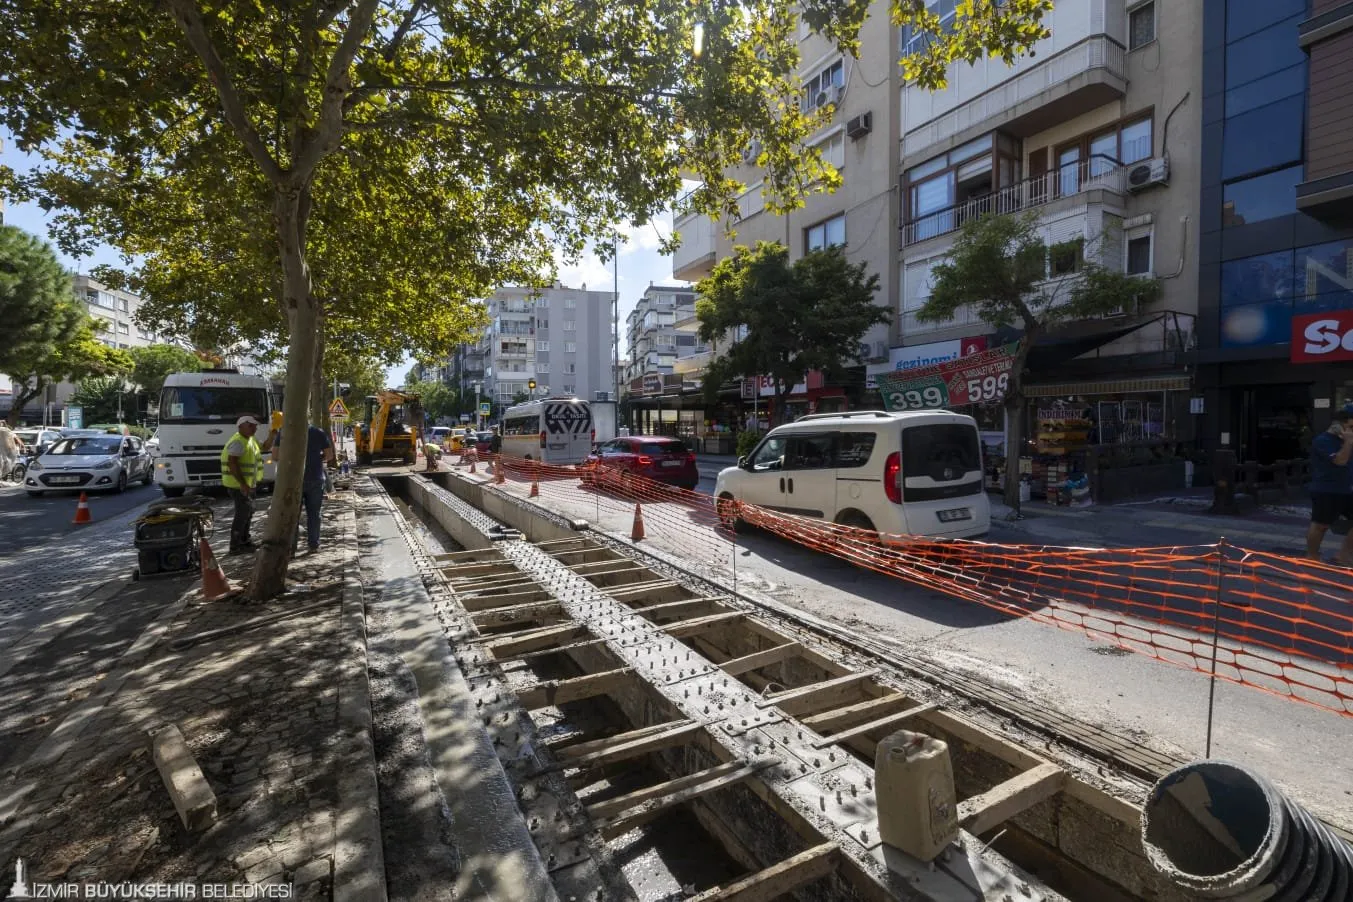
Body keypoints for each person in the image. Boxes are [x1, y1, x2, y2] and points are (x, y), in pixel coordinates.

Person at [274, 420, 335, 554]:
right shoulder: (318, 432)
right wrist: (317, 458)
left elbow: (275, 455)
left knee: (293, 515)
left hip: (292, 480)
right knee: (314, 514)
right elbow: (329, 455)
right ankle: (313, 544)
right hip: (315, 478)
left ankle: (292, 548)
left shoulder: (283, 432)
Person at [1306, 404, 1353, 564]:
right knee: (1321, 525)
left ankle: (1343, 555)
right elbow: (1340, 460)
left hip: (1347, 488)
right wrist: (1348, 442)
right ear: (1341, 424)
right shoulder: (1323, 440)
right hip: (1326, 489)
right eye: (1351, 426)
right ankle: (1312, 556)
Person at [221, 415, 264, 554]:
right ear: (241, 426)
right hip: (238, 486)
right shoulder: (238, 442)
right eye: (250, 425)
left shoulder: (250, 440)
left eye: (255, 426)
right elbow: (232, 464)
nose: (254, 428)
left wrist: (273, 433)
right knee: (242, 515)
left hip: (248, 485)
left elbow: (266, 446)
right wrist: (243, 484)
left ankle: (245, 542)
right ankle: (235, 546)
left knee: (248, 513)